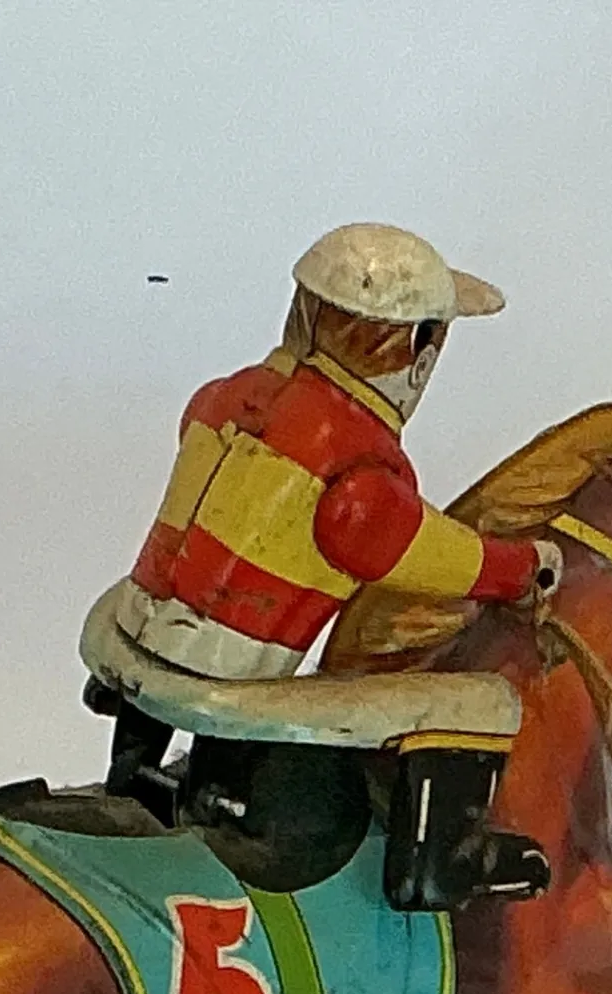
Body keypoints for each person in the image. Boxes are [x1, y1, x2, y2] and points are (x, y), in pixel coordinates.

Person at [83, 223, 561, 912]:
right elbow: (426, 554)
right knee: (483, 699)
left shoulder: (228, 395)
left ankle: (132, 770)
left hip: (130, 631)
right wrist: (525, 568)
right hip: (223, 673)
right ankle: (436, 870)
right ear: (417, 351)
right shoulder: (358, 458)